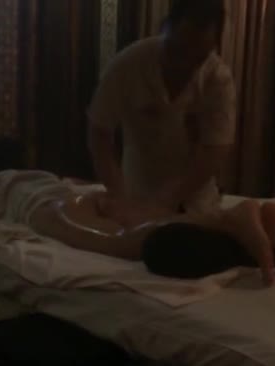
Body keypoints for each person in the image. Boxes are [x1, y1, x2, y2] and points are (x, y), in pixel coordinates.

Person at [0, 171, 275, 285]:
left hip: (49, 209)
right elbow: (81, 184)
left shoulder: (0, 179)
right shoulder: (46, 174)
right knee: (155, 222)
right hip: (85, 193)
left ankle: (234, 217)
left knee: (115, 241)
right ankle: (231, 220)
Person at [87, 0, 235, 218]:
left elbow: (216, 149)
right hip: (136, 192)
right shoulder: (128, 65)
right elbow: (99, 131)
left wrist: (171, 196)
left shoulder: (217, 79)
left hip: (196, 200)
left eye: (199, 57)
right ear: (165, 28)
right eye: (179, 51)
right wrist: (118, 193)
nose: (185, 64)